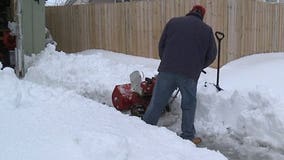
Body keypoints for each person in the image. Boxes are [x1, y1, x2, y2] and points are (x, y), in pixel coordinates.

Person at [142, 5, 217, 145]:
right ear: (202, 15)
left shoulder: (173, 22)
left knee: (157, 102)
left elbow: (162, 45)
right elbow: (212, 55)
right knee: (188, 105)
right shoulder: (207, 30)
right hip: (189, 74)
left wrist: (166, 60)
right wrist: (199, 66)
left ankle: (144, 128)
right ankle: (188, 136)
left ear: (190, 11)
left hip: (167, 69)